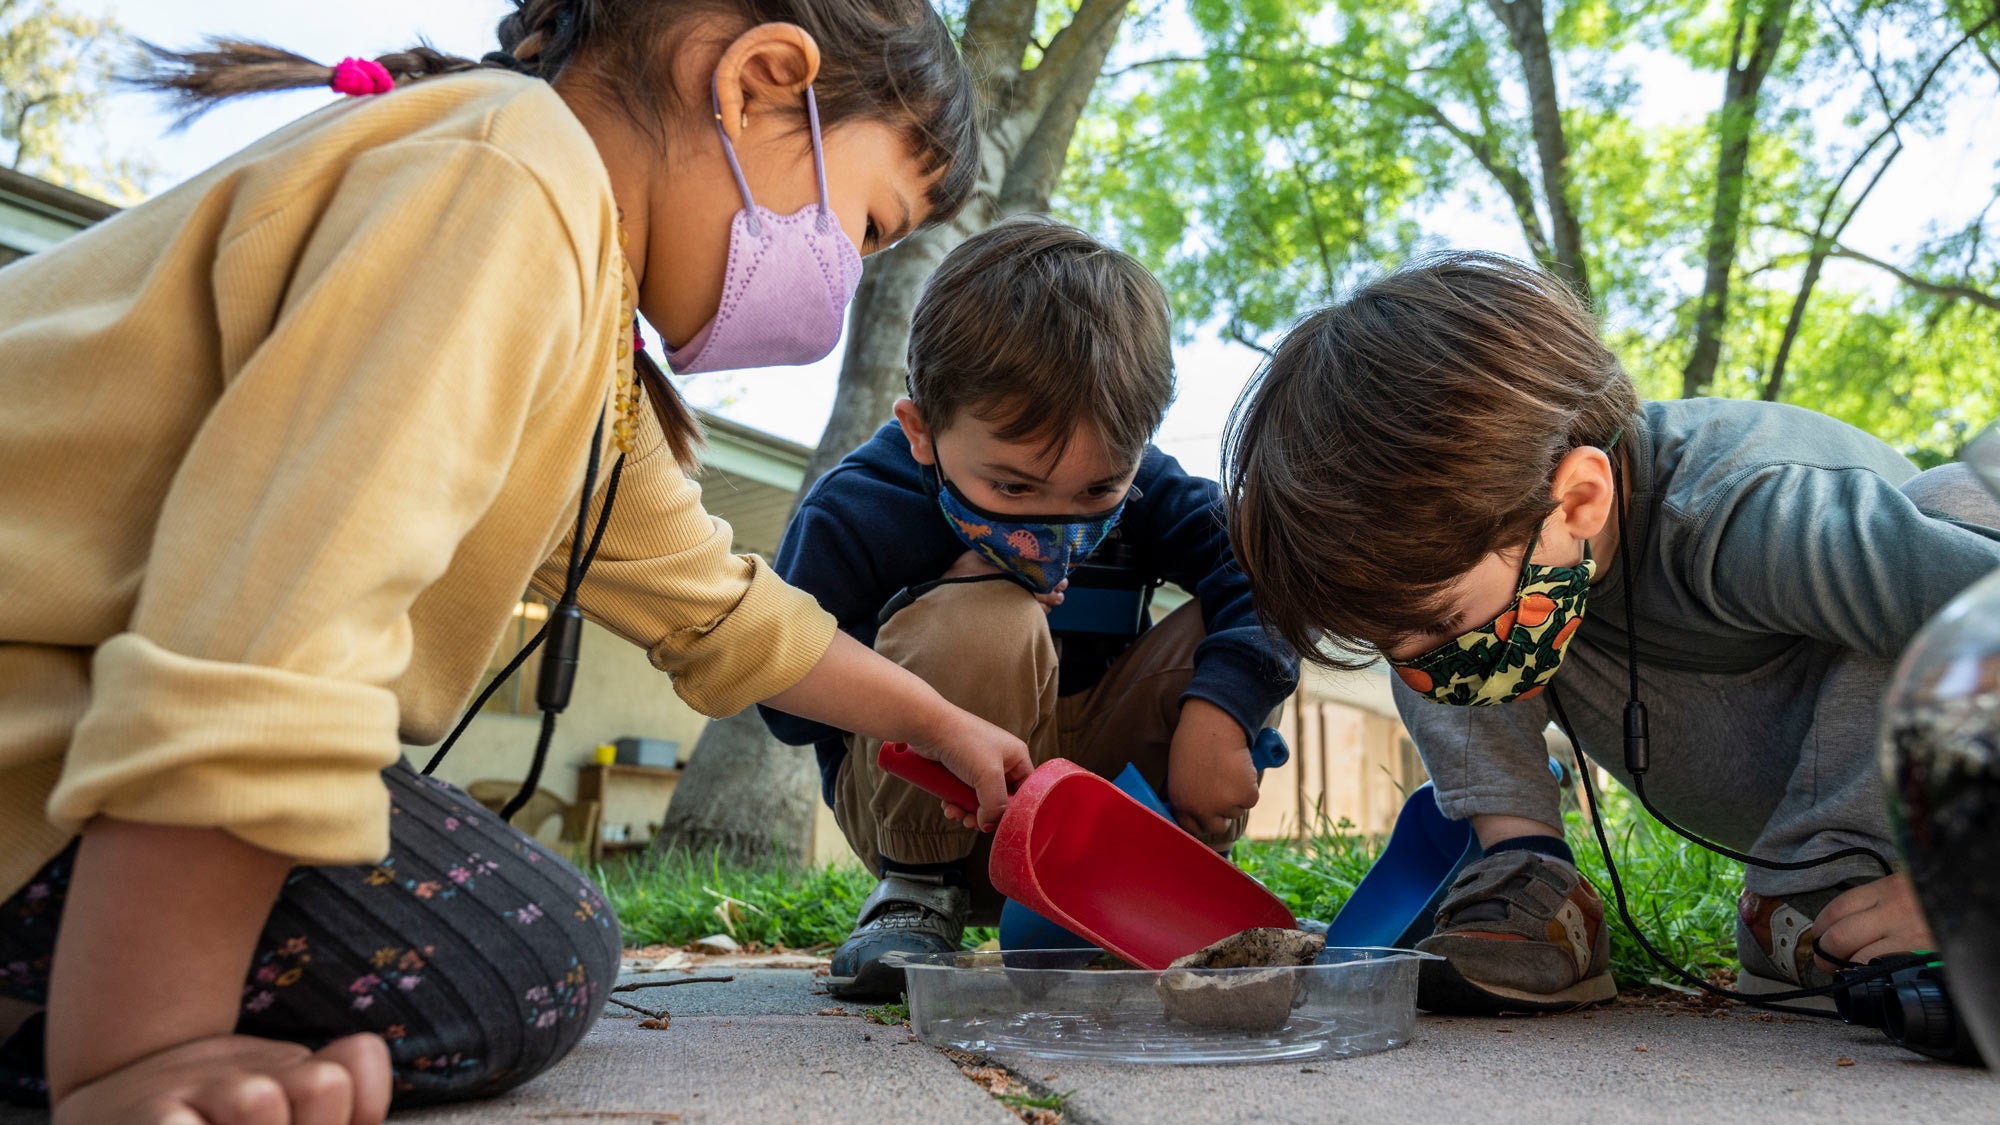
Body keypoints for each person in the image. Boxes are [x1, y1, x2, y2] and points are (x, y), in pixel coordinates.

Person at [0, 3, 1034, 1121]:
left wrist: (939, 725)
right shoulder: (507, 177)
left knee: (546, 938)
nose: (840, 278)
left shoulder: (578, 314)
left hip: (73, 707)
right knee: (519, 959)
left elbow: (727, 614)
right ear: (759, 80)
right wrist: (144, 1047)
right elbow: (277, 624)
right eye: (867, 226)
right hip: (44, 712)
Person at [1222, 251, 2000, 1014]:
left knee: (1964, 506)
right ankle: (1530, 874)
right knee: (1455, 620)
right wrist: (1428, 629)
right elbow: (1440, 627)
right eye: (1391, 650)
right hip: (1765, 780)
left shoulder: (1751, 517)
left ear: (1580, 499)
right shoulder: (1516, 562)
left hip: (1930, 778)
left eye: (1433, 625)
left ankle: (1838, 887)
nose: (1418, 679)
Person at [760, 216, 1302, 1001]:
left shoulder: (1150, 484)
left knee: (1251, 600)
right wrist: (940, 603)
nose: (1054, 518)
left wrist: (1222, 713)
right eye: (1012, 487)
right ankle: (917, 894)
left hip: (1094, 820)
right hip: (937, 814)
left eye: (1097, 489)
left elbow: (1262, 577)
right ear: (922, 432)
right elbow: (787, 703)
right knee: (984, 615)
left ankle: (1157, 890)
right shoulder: (859, 507)